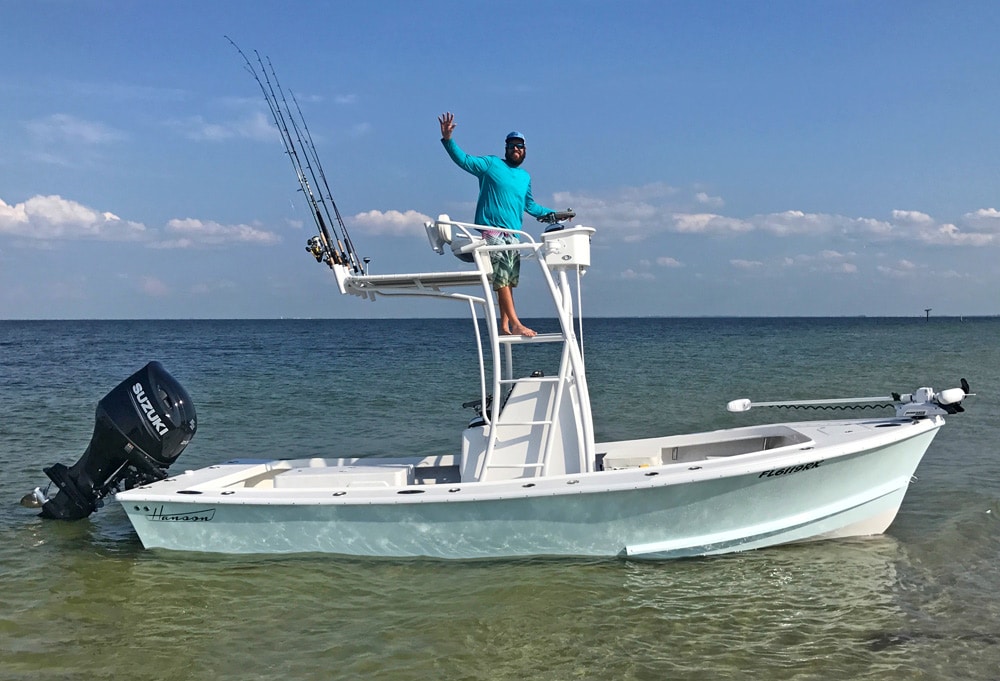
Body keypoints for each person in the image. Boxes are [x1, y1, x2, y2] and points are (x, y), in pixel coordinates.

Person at [438, 111, 559, 337]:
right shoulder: (491, 164)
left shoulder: (525, 177)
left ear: (525, 150)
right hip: (492, 230)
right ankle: (516, 323)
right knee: (502, 278)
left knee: (508, 282)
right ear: (506, 148)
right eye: (512, 145)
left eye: (520, 146)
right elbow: (464, 160)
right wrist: (448, 140)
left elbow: (531, 207)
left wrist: (555, 215)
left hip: (514, 235)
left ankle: (504, 326)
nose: (516, 149)